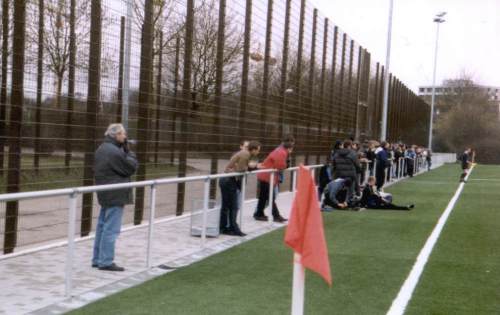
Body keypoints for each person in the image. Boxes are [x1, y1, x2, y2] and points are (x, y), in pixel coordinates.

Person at [92, 124, 138, 272]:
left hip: (105, 192)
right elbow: (130, 168)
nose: (125, 137)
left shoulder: (101, 148)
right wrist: (129, 153)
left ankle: (97, 259)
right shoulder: (113, 151)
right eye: (123, 134)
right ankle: (105, 261)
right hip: (115, 193)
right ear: (116, 135)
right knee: (111, 229)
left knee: (102, 227)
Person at [219, 141, 261, 237]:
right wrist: (253, 167)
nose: (258, 152)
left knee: (227, 206)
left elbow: (242, 168)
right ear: (253, 149)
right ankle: (233, 229)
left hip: (227, 180)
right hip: (228, 181)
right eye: (258, 150)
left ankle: (225, 228)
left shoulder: (245, 154)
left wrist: (251, 167)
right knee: (233, 206)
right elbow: (241, 169)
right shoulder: (245, 155)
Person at [254, 135, 295, 222]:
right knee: (270, 197)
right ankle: (275, 216)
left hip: (265, 175)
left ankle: (259, 214)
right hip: (267, 176)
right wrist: (287, 162)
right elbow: (280, 166)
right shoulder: (282, 152)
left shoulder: (280, 150)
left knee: (264, 197)